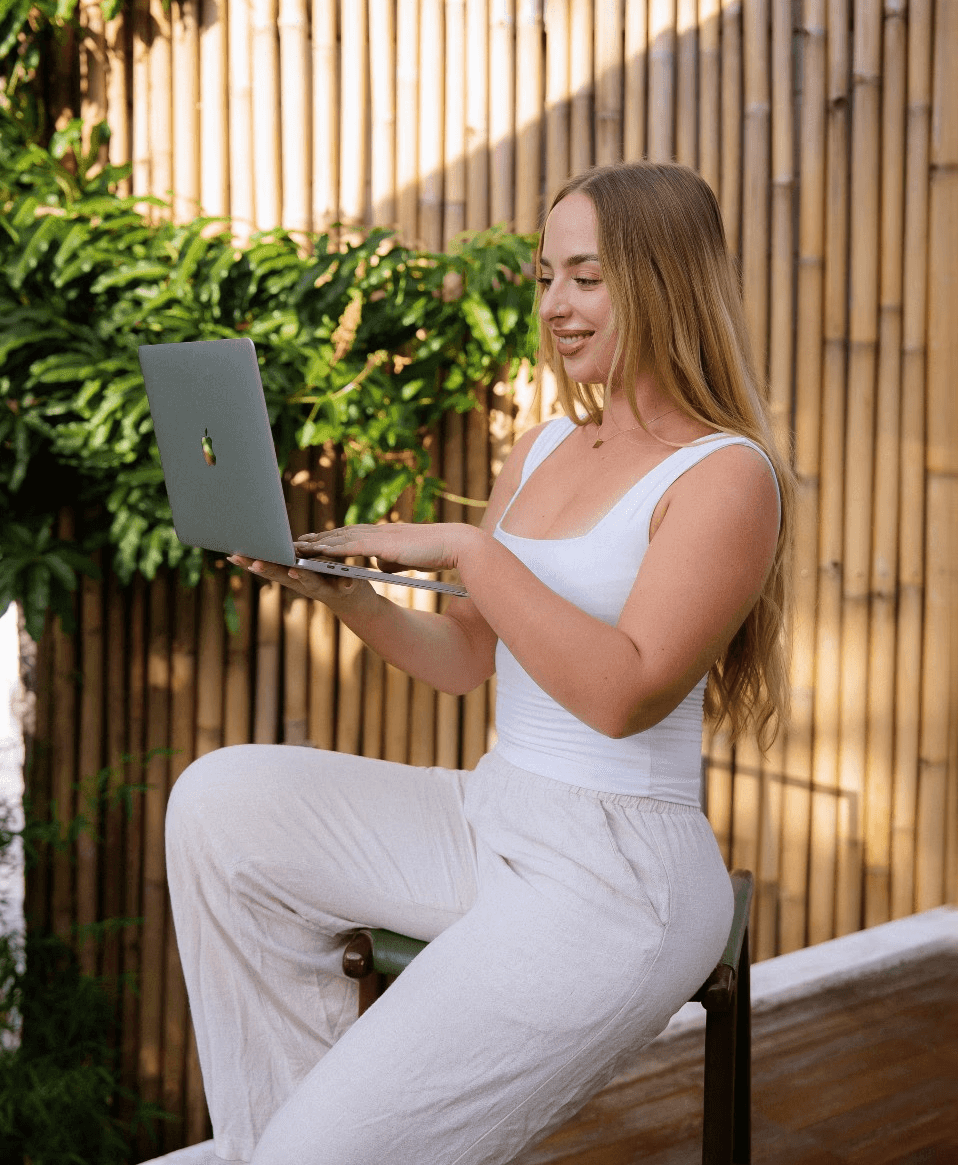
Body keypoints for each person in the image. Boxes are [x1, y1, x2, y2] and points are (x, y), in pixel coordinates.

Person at [161, 161, 792, 1165]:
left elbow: (625, 693)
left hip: (619, 878)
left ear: (662, 277)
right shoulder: (543, 447)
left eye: (586, 277)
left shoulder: (724, 474)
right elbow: (463, 658)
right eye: (546, 276)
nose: (553, 305)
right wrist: (351, 595)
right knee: (221, 800)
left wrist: (466, 550)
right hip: (496, 816)